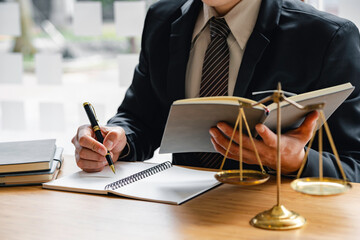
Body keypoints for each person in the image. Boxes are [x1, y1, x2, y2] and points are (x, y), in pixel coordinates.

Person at [72, 0, 360, 182]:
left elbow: (354, 163)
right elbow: (140, 117)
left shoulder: (327, 37)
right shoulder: (162, 17)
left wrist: (297, 161)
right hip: (181, 214)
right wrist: (116, 138)